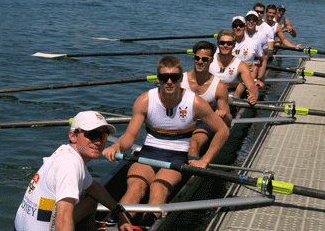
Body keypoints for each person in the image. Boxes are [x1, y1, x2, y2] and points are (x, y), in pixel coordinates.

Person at [102, 56, 229, 226]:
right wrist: (117, 145)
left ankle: (147, 223)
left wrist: (205, 160)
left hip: (177, 157)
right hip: (148, 153)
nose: (169, 82)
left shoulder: (196, 103)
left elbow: (223, 130)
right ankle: (115, 223)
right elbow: (130, 137)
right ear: (158, 79)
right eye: (164, 78)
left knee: (158, 187)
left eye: (174, 78)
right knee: (136, 187)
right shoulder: (144, 101)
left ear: (181, 79)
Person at [14, 111, 133, 231]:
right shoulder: (70, 165)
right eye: (92, 135)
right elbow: (62, 222)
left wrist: (119, 213)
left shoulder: (65, 152)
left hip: (21, 227)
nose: (98, 142)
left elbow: (93, 188)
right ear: (73, 136)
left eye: (103, 136)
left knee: (90, 200)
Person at [181, 41, 232, 159]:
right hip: (182, 119)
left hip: (203, 122)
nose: (200, 61)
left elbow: (229, 122)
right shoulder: (180, 80)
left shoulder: (218, 86)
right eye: (197, 58)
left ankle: (193, 170)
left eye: (204, 59)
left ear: (211, 60)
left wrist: (224, 115)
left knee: (193, 145)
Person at [208, 30, 258, 103]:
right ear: (218, 44)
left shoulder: (241, 65)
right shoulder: (208, 60)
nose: (225, 45)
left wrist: (253, 95)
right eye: (222, 43)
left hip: (230, 100)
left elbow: (251, 86)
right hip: (209, 96)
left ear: (234, 45)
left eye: (229, 43)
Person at [231, 15, 266, 89]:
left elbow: (263, 59)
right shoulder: (225, 44)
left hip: (247, 76)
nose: (238, 28)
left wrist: (259, 78)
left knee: (254, 68)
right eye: (235, 26)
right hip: (231, 75)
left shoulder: (254, 43)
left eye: (241, 26)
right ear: (232, 28)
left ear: (244, 27)